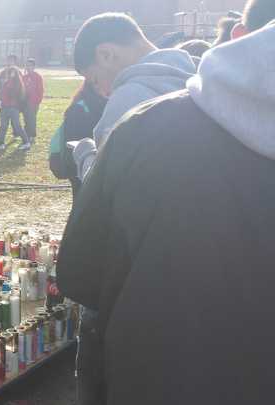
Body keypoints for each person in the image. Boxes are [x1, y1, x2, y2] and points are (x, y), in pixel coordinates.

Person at [57, 19, 275, 405]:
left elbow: (80, 271)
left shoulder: (140, 118)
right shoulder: (176, 84)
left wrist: (87, 154)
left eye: (94, 78)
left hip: (160, 367)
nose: (99, 89)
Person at [70, 13, 197, 181]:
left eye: (95, 81)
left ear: (106, 54)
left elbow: (102, 187)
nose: (104, 93)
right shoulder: (202, 78)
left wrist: (85, 154)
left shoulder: (127, 102)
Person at [52, 81, 106, 197]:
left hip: (99, 168)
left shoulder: (109, 104)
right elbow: (71, 145)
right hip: (80, 168)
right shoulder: (79, 109)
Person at [0, 65, 29, 151]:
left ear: (16, 73)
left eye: (12, 72)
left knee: (17, 126)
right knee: (3, 126)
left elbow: (16, 95)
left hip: (13, 108)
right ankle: (1, 143)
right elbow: (1, 93)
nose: (10, 74)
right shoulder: (6, 83)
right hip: (4, 108)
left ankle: (26, 142)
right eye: (9, 72)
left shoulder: (17, 84)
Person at [22, 57, 45, 146]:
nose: (28, 67)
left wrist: (37, 101)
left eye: (29, 65)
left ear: (33, 66)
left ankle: (32, 135)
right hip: (24, 102)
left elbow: (41, 90)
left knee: (31, 119)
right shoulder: (24, 77)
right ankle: (26, 134)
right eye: (26, 65)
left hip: (33, 102)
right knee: (26, 118)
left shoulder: (37, 77)